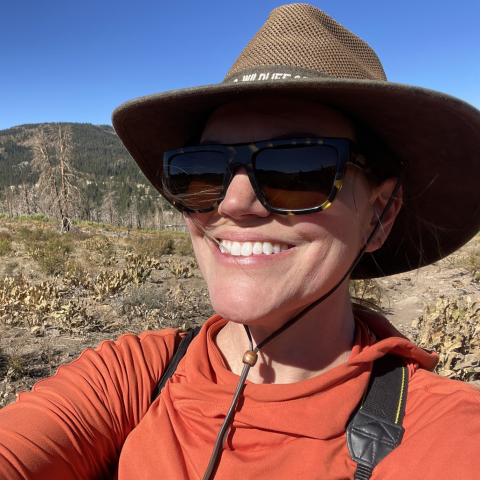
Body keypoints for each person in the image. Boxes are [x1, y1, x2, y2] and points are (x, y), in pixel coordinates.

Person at [1, 4, 480, 479]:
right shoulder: (135, 376)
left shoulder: (447, 435)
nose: (233, 202)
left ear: (379, 216)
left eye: (297, 171)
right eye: (202, 171)